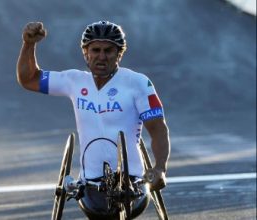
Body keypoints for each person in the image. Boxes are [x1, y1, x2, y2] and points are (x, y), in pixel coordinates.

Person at [17, 21, 170, 219]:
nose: (102, 56)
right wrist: (28, 45)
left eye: (109, 50)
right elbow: (28, 79)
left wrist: (160, 168)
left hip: (132, 182)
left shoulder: (139, 83)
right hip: (89, 183)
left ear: (119, 54)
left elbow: (158, 129)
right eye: (95, 50)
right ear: (85, 53)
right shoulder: (74, 81)